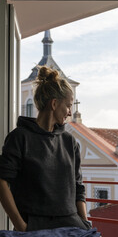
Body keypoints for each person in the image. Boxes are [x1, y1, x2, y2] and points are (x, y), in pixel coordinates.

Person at [0, 66, 91, 232]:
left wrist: (85, 225)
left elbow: (79, 187)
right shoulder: (20, 137)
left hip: (72, 225)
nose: (70, 113)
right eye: (68, 106)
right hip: (35, 227)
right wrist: (21, 226)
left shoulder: (70, 142)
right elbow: (2, 182)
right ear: (54, 104)